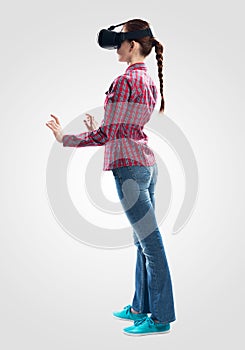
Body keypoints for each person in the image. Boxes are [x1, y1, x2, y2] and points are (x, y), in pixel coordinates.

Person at [46, 18, 176, 336]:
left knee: (151, 245)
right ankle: (139, 307)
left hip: (129, 170)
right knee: (142, 242)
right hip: (146, 165)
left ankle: (159, 318)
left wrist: (66, 138)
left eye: (119, 42)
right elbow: (125, 128)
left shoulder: (123, 82)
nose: (116, 48)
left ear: (132, 45)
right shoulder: (147, 80)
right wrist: (100, 130)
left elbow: (108, 135)